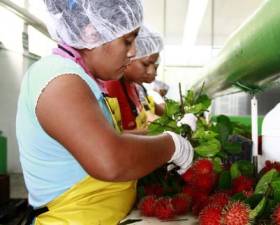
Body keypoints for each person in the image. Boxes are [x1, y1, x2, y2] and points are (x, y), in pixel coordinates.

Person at [16, 1, 193, 224]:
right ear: (92, 33)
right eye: (127, 41)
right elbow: (109, 160)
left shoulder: (82, 79)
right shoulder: (60, 81)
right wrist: (171, 145)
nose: (133, 52)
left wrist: (159, 138)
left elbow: (111, 139)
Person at [104, 26, 164, 131]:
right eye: (146, 64)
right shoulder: (112, 85)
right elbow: (114, 135)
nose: (151, 72)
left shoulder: (133, 86)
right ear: (131, 57)